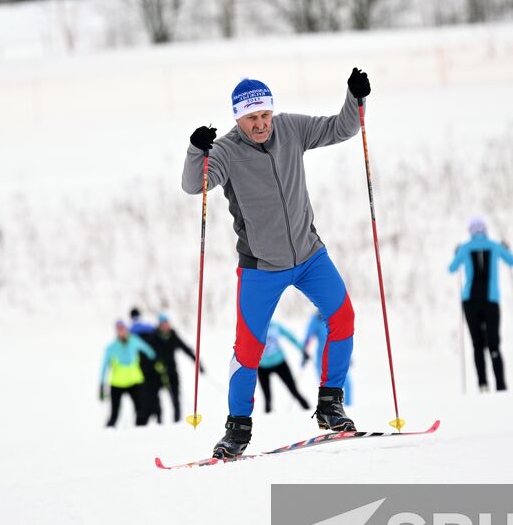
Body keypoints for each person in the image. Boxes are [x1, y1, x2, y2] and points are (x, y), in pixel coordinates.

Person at [182, 70, 368, 459]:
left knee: (343, 318)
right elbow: (194, 185)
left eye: (265, 115)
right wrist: (196, 151)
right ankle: (237, 431)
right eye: (252, 118)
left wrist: (354, 96)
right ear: (238, 119)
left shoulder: (291, 129)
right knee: (249, 349)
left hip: (309, 255)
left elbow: (340, 129)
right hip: (261, 267)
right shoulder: (227, 151)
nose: (262, 124)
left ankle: (331, 405)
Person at [448, 215, 513, 392]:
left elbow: (452, 268)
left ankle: (483, 384)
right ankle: (501, 384)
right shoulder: (494, 246)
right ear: (485, 230)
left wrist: (456, 252)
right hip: (490, 300)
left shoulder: (465, 248)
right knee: (494, 344)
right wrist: (506, 248)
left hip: (470, 301)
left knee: (477, 345)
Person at [100, 320, 157, 428]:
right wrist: (102, 385)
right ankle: (106, 437)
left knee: (141, 412)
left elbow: (150, 353)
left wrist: (155, 364)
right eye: (119, 330)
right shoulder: (111, 348)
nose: (122, 332)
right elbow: (104, 367)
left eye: (123, 329)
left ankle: (139, 434)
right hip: (117, 384)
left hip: (134, 382)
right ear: (116, 332)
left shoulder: (135, 341)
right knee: (114, 415)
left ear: (127, 330)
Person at [149, 313, 201, 423]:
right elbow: (149, 354)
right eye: (163, 324)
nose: (165, 326)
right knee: (155, 398)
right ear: (159, 325)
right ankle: (159, 421)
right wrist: (156, 363)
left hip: (172, 371)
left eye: (167, 323)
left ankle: (177, 422)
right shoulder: (154, 336)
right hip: (157, 373)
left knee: (176, 398)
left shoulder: (173, 335)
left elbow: (185, 349)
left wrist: (198, 364)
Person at [256, 321, 311, 412]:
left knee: (294, 391)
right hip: (263, 367)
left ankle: (310, 412)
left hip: (280, 363)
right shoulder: (255, 328)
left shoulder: (275, 326)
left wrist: (303, 350)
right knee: (267, 398)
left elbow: (290, 337)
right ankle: (267, 423)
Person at [128, 307, 164, 424]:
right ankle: (158, 418)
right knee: (155, 393)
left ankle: (142, 421)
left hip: (140, 368)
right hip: (153, 366)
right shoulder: (149, 327)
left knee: (144, 395)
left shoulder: (130, 330)